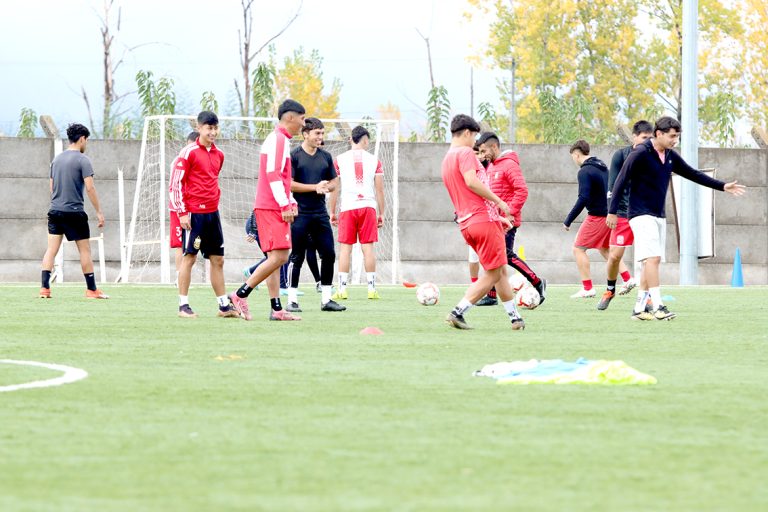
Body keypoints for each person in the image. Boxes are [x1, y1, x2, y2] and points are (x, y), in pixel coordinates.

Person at [608, 116, 746, 320]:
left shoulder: (670, 156)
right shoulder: (640, 153)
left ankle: (639, 308)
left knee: (651, 262)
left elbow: (692, 173)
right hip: (639, 214)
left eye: (677, 137)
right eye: (672, 136)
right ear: (659, 134)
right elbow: (620, 180)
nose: (675, 140)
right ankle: (658, 306)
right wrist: (611, 211)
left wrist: (722, 186)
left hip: (658, 214)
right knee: (652, 259)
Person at [442, 114, 524, 331]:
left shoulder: (447, 159)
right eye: (474, 137)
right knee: (495, 272)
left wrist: (496, 217)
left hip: (468, 223)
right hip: (482, 221)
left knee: (499, 270)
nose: (475, 144)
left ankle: (515, 318)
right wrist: (499, 203)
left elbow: (466, 197)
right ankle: (458, 311)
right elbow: (471, 182)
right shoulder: (465, 153)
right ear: (468, 133)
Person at [228, 99, 306, 321]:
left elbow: (281, 178)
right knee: (281, 256)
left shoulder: (279, 140)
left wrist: (290, 200)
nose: (303, 123)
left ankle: (276, 309)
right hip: (271, 207)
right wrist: (284, 204)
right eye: (301, 118)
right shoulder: (279, 140)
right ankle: (240, 293)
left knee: (274, 257)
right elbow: (273, 175)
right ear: (290, 117)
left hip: (269, 205)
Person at [168, 111, 238, 319]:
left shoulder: (219, 154)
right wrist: (182, 212)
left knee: (217, 260)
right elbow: (175, 185)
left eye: (215, 128)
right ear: (199, 128)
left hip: (212, 214)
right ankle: (183, 306)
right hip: (193, 215)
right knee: (189, 258)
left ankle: (224, 306)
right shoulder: (188, 153)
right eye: (209, 128)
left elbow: (212, 179)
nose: (213, 132)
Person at [39, 123, 108, 299]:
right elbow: (90, 188)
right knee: (84, 251)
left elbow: (52, 187)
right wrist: (99, 211)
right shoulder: (83, 160)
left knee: (51, 250)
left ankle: (45, 289)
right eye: (87, 140)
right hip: (74, 212)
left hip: (55, 211)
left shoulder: (56, 159)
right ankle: (91, 290)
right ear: (82, 139)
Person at [477, 132, 547, 304]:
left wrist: (510, 213)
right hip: (496, 220)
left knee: (505, 256)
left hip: (507, 222)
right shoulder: (492, 166)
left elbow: (522, 190)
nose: (483, 155)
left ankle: (537, 282)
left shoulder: (509, 165)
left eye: (484, 150)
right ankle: (492, 296)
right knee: (493, 256)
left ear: (494, 147)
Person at [284, 117, 345, 313]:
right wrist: (314, 187)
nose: (321, 136)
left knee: (329, 254)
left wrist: (329, 186)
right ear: (306, 134)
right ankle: (292, 300)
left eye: (322, 133)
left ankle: (326, 300)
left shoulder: (326, 157)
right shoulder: (294, 156)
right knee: (297, 257)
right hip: (300, 214)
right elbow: (290, 184)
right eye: (317, 133)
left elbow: (335, 181)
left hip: (320, 214)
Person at [564, 140, 630, 298]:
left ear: (577, 154)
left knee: (578, 249)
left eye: (573, 156)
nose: (573, 159)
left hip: (597, 216)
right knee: (606, 249)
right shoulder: (602, 167)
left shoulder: (584, 171)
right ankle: (628, 279)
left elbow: (583, 197)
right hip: (609, 215)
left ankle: (587, 288)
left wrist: (569, 219)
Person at [597, 121, 652, 310]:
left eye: (650, 138)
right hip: (621, 214)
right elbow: (612, 185)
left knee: (647, 258)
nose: (647, 141)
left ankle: (647, 296)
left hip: (644, 213)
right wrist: (611, 211)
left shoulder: (653, 157)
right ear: (635, 137)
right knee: (614, 256)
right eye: (644, 138)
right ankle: (610, 290)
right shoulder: (621, 155)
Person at [328, 125, 385, 300]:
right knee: (368, 248)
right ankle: (371, 289)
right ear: (365, 140)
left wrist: (332, 211)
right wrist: (381, 213)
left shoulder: (339, 159)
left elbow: (334, 188)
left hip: (348, 207)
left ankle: (342, 289)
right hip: (368, 206)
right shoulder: (374, 160)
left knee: (346, 249)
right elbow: (380, 190)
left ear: (350, 139)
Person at [170, 131, 199, 286]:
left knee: (191, 245)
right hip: (179, 208)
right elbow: (175, 186)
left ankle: (183, 276)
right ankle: (179, 277)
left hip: (194, 208)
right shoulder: (180, 160)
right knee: (180, 245)